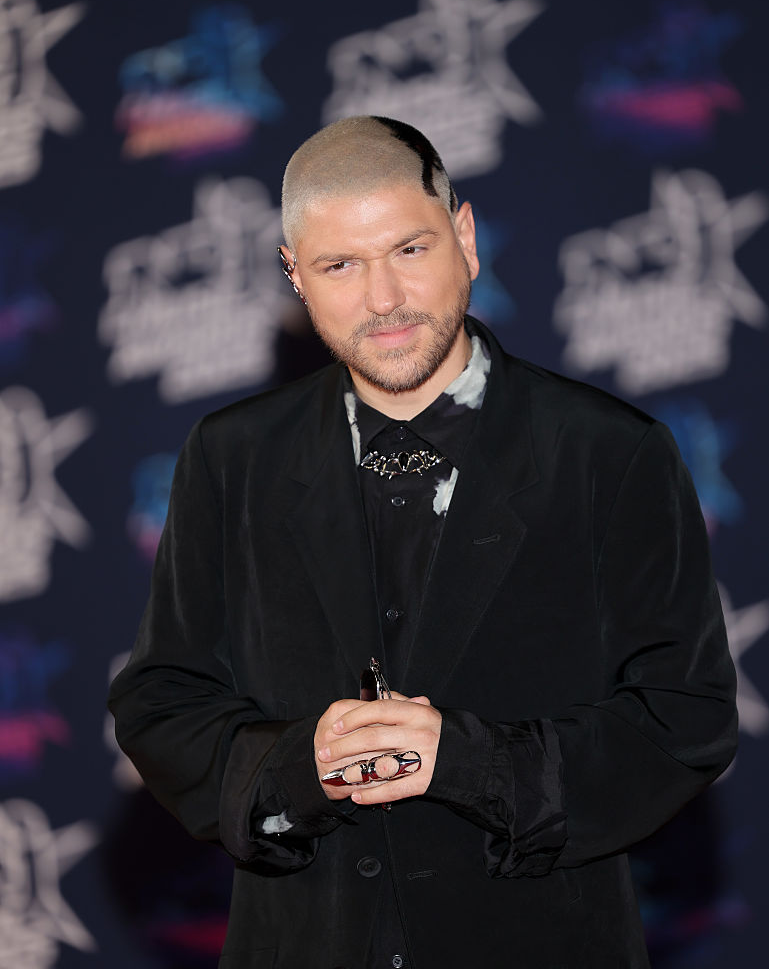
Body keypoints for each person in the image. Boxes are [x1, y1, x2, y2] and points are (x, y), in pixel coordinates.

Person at [109, 116, 738, 969]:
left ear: (465, 239)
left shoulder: (607, 451)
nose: (384, 299)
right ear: (294, 275)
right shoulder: (232, 457)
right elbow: (162, 700)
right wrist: (305, 767)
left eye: (409, 250)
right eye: (340, 265)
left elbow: (684, 715)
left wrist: (472, 764)